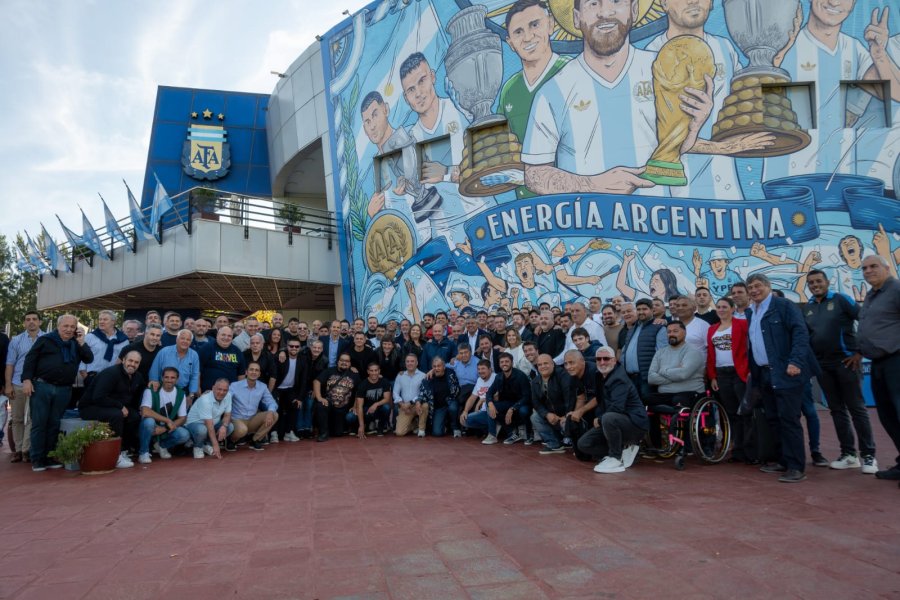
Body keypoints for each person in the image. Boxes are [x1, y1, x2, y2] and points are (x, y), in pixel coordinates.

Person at [804, 269, 877, 473]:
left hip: (846, 362)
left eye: (818, 281)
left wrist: (860, 352)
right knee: (836, 410)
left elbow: (865, 320)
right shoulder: (808, 308)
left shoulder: (841, 299)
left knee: (857, 409)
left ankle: (869, 455)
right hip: (823, 366)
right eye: (811, 282)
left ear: (827, 282)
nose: (815, 285)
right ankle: (849, 455)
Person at [747, 273, 818, 483]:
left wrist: (795, 361)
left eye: (757, 286)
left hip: (786, 372)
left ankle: (796, 467)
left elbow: (800, 333)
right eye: (750, 287)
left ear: (768, 286)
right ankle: (783, 460)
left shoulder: (784, 305)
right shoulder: (752, 311)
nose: (754, 290)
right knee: (773, 418)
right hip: (764, 373)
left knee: (789, 418)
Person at [22, 315, 93, 471]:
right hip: (42, 386)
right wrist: (26, 380)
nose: (69, 329)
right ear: (58, 326)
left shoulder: (76, 343)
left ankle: (50, 456)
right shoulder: (45, 340)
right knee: (39, 423)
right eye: (65, 326)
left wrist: (82, 342)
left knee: (54, 423)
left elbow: (89, 358)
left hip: (64, 389)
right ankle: (37, 459)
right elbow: (30, 360)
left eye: (72, 327)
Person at [856, 255, 900, 484]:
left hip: (896, 359)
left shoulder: (896, 289)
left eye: (873, 266)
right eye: (864, 268)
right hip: (878, 362)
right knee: (887, 416)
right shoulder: (872, 295)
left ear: (886, 267)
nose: (868, 271)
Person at [579, 346, 648, 473]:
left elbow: (617, 407)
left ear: (614, 360)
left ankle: (615, 458)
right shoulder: (599, 375)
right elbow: (600, 401)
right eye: (598, 359)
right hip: (614, 422)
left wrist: (600, 420)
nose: (602, 362)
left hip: (634, 424)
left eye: (606, 358)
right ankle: (623, 450)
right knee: (584, 444)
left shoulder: (619, 378)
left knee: (608, 417)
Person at [78, 350, 145, 468]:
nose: (132, 364)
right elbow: (98, 397)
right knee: (116, 415)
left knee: (134, 416)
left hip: (112, 406)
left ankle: (124, 450)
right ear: (123, 360)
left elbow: (136, 398)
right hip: (90, 407)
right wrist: (120, 406)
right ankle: (115, 456)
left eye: (136, 362)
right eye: (130, 360)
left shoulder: (138, 377)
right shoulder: (111, 373)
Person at [706, 297, 752, 463]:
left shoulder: (742, 324)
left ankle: (751, 451)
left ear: (732, 309)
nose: (721, 309)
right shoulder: (712, 329)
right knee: (731, 413)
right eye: (718, 307)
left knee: (745, 412)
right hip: (721, 374)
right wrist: (712, 376)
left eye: (725, 307)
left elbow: (750, 347)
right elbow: (710, 355)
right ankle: (737, 451)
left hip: (739, 372)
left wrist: (749, 370)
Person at [4, 311, 43, 463]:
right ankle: (18, 450)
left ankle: (27, 450)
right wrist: (8, 385)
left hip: (38, 384)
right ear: (24, 323)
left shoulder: (47, 339)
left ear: (40, 322)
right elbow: (10, 364)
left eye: (34, 319)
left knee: (33, 418)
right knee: (17, 418)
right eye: (28, 319)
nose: (31, 322)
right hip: (18, 384)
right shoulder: (16, 340)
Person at [137, 367, 190, 463]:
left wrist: (165, 428)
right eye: (166, 377)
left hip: (166, 428)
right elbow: (145, 411)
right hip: (152, 427)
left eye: (173, 378)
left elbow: (182, 418)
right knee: (149, 422)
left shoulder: (181, 394)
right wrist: (167, 420)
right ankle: (143, 453)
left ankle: (161, 446)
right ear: (162, 378)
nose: (169, 380)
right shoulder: (151, 389)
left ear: (177, 379)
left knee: (184, 434)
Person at [648, 321, 706, 405]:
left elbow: (682, 374)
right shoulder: (660, 352)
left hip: (689, 392)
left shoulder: (693, 352)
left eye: (675, 331)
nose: (671, 334)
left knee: (678, 400)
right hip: (665, 394)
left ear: (685, 333)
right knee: (646, 399)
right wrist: (675, 374)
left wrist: (662, 370)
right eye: (669, 332)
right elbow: (651, 378)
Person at [619, 300, 667, 398]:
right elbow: (624, 353)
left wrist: (654, 375)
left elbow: (662, 354)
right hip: (631, 378)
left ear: (652, 310)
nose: (641, 312)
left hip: (647, 378)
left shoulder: (659, 328)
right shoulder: (631, 330)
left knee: (648, 404)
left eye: (644, 309)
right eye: (638, 309)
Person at [227, 362, 278, 452]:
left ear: (259, 374)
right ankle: (231, 440)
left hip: (252, 419)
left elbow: (271, 402)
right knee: (242, 430)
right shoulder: (235, 385)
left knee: (274, 414)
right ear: (246, 372)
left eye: (256, 370)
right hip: (237, 419)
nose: (254, 372)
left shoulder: (262, 387)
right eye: (251, 369)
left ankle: (256, 440)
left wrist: (270, 412)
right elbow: (225, 399)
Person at [530, 353, 574, 454]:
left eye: (546, 363)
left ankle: (571, 440)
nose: (543, 366)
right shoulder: (535, 381)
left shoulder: (562, 375)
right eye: (540, 364)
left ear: (553, 364)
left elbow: (570, 398)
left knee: (567, 425)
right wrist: (547, 414)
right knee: (535, 417)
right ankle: (554, 444)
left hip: (566, 415)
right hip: (552, 417)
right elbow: (536, 403)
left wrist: (565, 416)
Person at [488, 353, 533, 445]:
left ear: (512, 363)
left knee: (523, 411)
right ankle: (512, 433)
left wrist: (513, 408)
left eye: (507, 361)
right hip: (508, 403)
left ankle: (530, 434)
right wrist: (490, 403)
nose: (504, 364)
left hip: (522, 403)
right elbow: (489, 392)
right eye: (502, 362)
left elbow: (526, 396)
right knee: (491, 408)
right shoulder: (498, 376)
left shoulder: (521, 376)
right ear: (499, 364)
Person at [313, 352, 359, 441]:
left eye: (347, 361)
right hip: (329, 404)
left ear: (350, 363)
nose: (344, 362)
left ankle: (331, 428)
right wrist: (319, 397)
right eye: (342, 360)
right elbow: (316, 381)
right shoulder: (329, 371)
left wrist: (355, 406)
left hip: (342, 409)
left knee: (337, 433)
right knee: (321, 405)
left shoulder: (354, 374)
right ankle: (323, 433)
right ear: (337, 362)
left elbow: (359, 391)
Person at [79, 310, 130, 388]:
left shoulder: (123, 340)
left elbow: (125, 360)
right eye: (100, 319)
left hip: (113, 379)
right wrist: (86, 377)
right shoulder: (90, 337)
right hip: (92, 377)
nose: (101, 322)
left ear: (113, 322)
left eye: (105, 319)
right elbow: (82, 357)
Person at [185, 379, 234, 459]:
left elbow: (227, 414)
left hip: (212, 424)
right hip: (195, 425)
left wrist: (224, 426)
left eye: (225, 390)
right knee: (202, 430)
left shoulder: (228, 396)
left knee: (230, 427)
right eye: (219, 389)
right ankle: (198, 447)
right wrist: (216, 445)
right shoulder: (205, 400)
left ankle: (207, 445)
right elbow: (209, 425)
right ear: (213, 388)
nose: (222, 392)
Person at [148, 330, 200, 403]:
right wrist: (154, 387)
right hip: (162, 390)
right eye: (182, 338)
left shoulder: (194, 355)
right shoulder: (164, 352)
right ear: (177, 339)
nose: (185, 341)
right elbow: (154, 371)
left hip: (183, 391)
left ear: (191, 342)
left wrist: (191, 395)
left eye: (188, 339)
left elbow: (194, 375)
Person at [274, 339, 308, 443]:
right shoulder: (281, 357)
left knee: (295, 405)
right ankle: (273, 433)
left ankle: (289, 432)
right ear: (287, 347)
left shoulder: (303, 360)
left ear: (300, 348)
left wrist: (300, 398)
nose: (294, 348)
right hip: (277, 389)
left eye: (296, 346)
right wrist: (281, 352)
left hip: (291, 389)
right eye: (291, 346)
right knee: (275, 408)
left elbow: (303, 380)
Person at [416, 357, 459, 437]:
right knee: (437, 433)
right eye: (434, 366)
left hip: (450, 402)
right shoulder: (428, 379)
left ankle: (455, 428)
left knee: (453, 408)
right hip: (439, 407)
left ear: (444, 367)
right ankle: (445, 424)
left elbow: (456, 389)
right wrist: (418, 401)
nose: (436, 368)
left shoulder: (450, 373)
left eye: (439, 366)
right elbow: (422, 392)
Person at [460, 360, 499, 444]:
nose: (480, 371)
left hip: (495, 409)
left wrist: (483, 400)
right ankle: (492, 426)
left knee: (489, 406)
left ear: (490, 369)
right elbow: (472, 397)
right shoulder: (479, 380)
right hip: (484, 412)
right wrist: (465, 411)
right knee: (465, 420)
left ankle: (492, 434)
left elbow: (499, 397)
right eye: (479, 369)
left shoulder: (496, 378)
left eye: (483, 368)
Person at [349, 362, 393, 437]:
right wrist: (361, 425)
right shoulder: (362, 384)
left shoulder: (384, 382)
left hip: (379, 408)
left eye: (376, 370)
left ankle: (381, 426)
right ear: (368, 371)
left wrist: (376, 404)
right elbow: (359, 406)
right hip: (366, 410)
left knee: (386, 407)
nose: (374, 373)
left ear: (379, 371)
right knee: (350, 417)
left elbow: (387, 399)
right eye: (371, 371)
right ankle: (361, 426)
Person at [197, 326, 246, 392]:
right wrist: (197, 388)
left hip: (230, 393)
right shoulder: (206, 348)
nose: (226, 338)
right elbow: (197, 370)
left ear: (232, 337)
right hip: (209, 392)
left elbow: (241, 374)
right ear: (217, 335)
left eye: (229, 336)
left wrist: (239, 391)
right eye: (223, 335)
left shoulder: (237, 351)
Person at [297, 340, 328, 439]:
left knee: (309, 406)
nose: (316, 350)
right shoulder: (303, 353)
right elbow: (288, 349)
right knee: (300, 406)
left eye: (319, 348)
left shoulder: (325, 360)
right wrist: (282, 352)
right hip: (300, 386)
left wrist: (316, 390)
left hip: (312, 387)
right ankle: (300, 429)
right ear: (311, 347)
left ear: (322, 349)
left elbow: (321, 378)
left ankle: (308, 428)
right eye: (314, 347)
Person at [393, 354, 428, 437]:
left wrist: (411, 402)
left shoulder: (423, 376)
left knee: (425, 406)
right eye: (407, 361)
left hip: (417, 405)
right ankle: (414, 425)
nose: (410, 363)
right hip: (405, 406)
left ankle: (421, 430)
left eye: (412, 361)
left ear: (417, 363)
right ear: (405, 363)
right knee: (399, 433)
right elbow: (395, 393)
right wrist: (402, 405)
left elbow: (423, 393)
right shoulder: (400, 376)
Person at [669, 295, 710, 359]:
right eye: (678, 306)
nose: (680, 308)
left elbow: (710, 349)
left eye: (684, 305)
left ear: (694, 308)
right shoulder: (671, 325)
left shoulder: (703, 325)